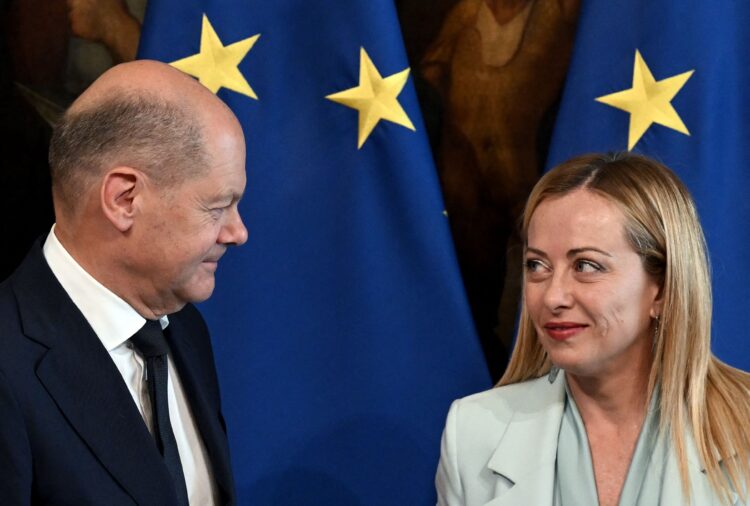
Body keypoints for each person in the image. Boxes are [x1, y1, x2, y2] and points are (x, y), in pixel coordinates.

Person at [435, 152, 750, 505]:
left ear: (661, 287)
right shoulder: (474, 431)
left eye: (586, 265)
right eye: (537, 265)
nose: (552, 296)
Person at [0, 60, 248, 505]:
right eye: (217, 207)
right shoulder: (8, 364)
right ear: (124, 199)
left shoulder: (184, 330)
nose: (237, 232)